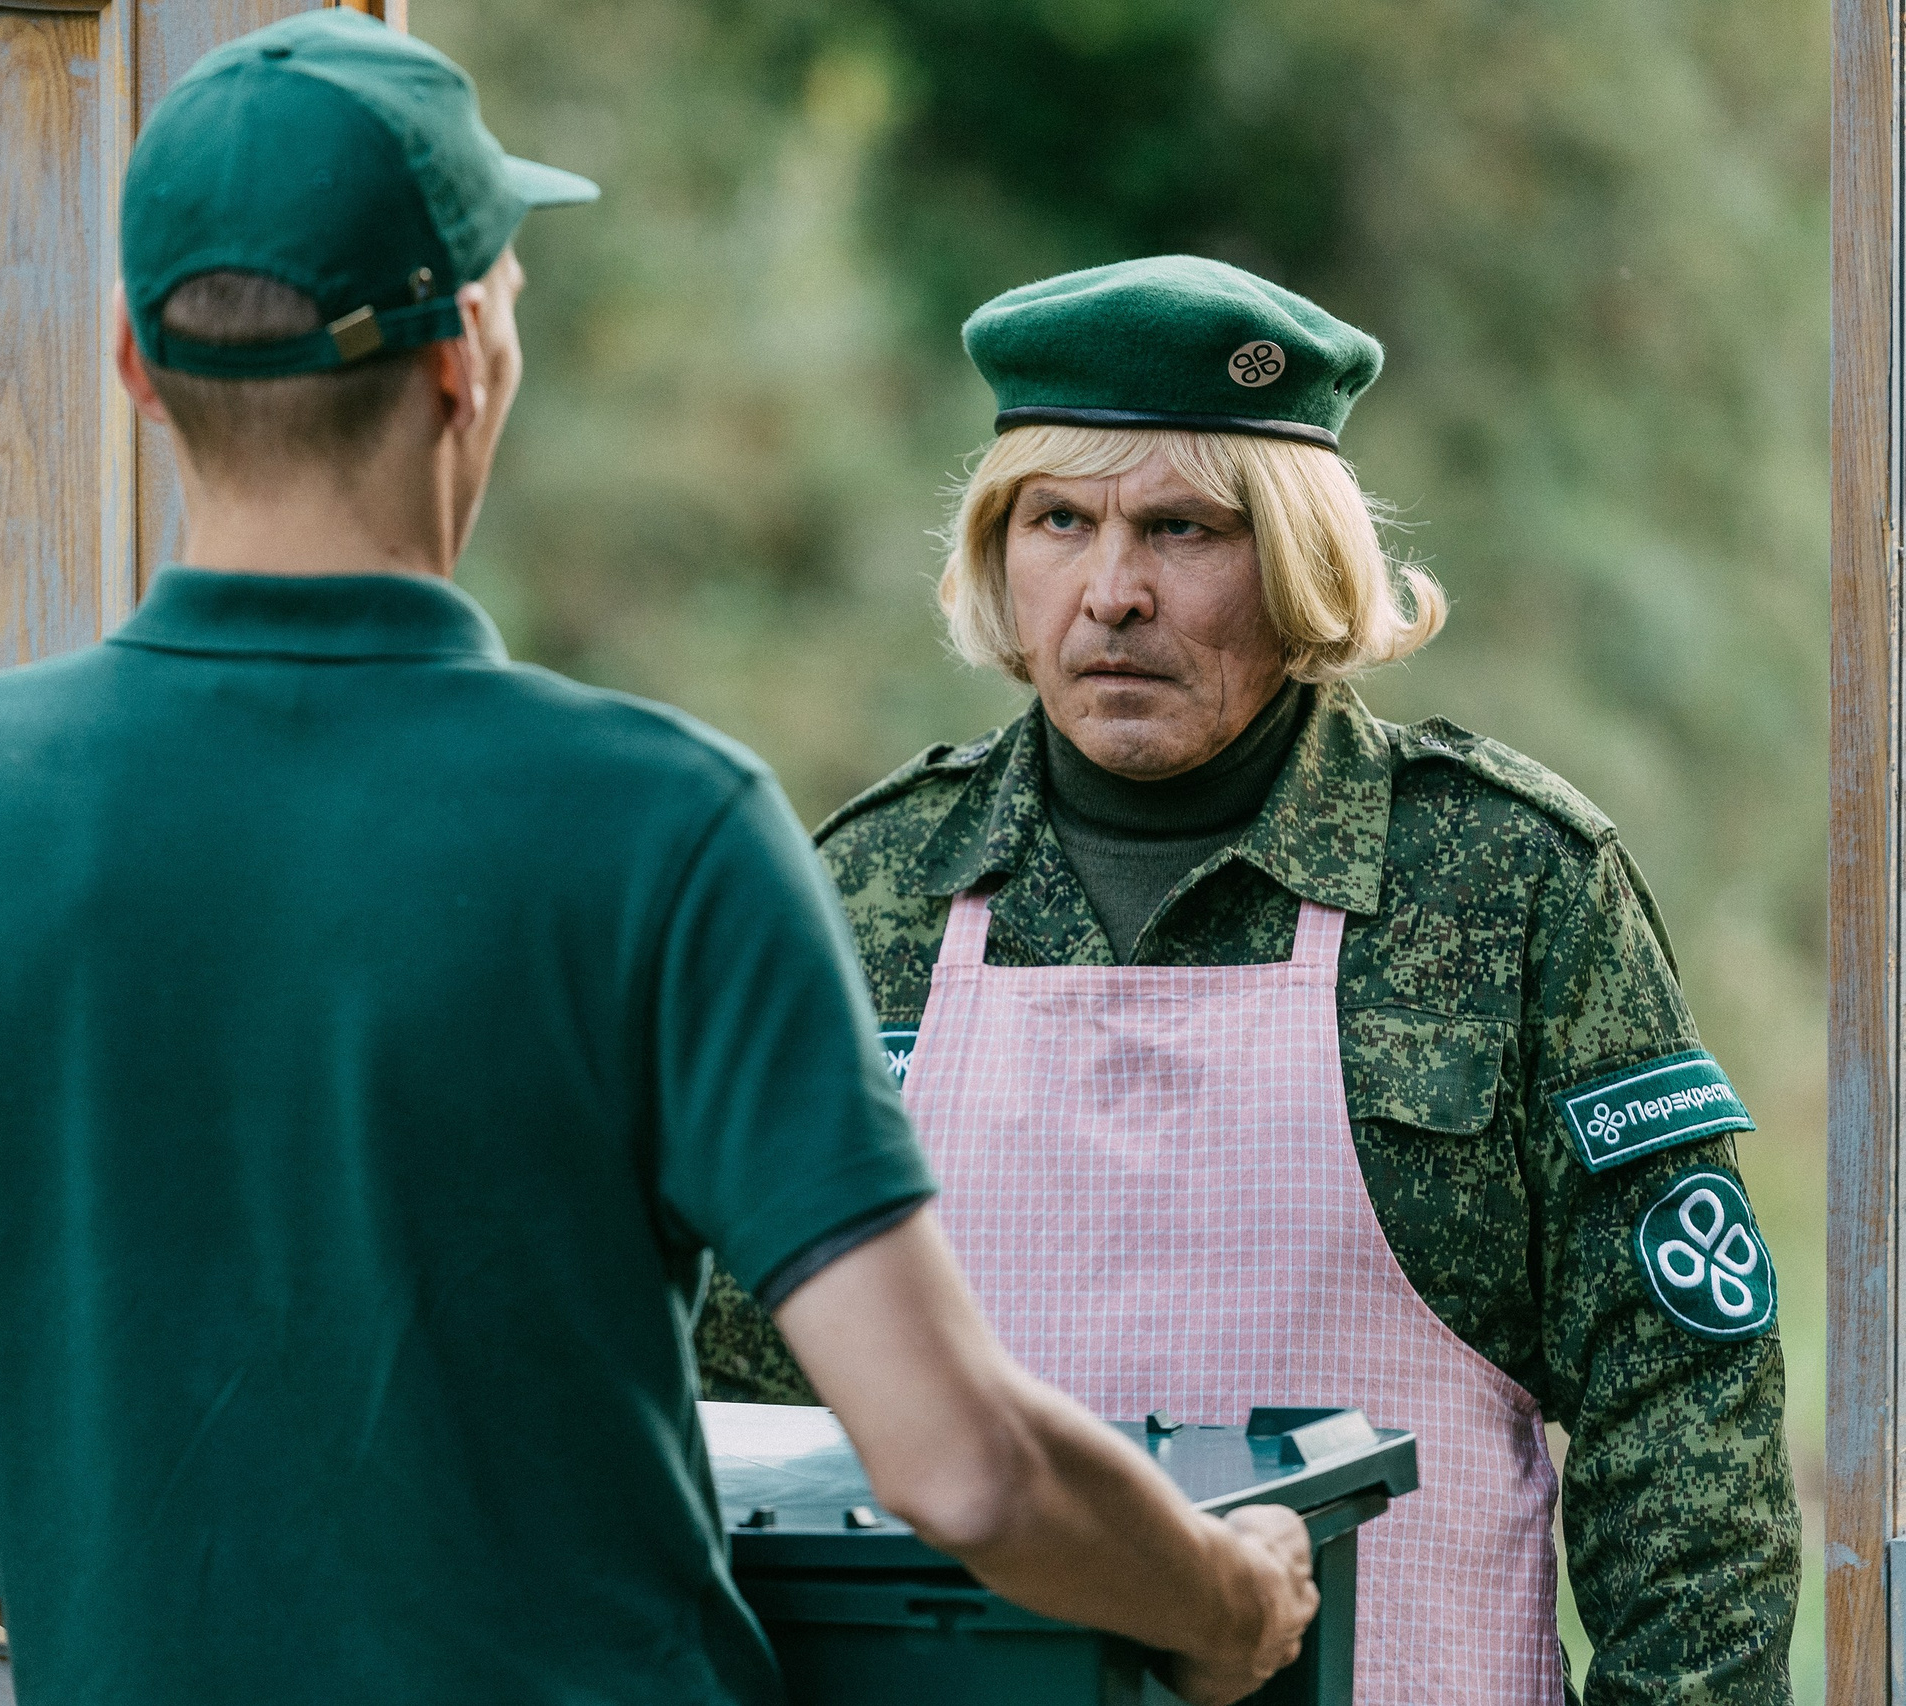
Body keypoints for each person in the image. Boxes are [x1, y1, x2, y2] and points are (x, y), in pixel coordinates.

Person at [0, 22, 1318, 1706]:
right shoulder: (661, 826)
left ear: (138, 367)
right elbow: (962, 1467)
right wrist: (1228, 1605)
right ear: (470, 362)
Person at [696, 255, 1802, 1705]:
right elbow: (734, 1418)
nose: (1112, 593)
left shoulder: (1508, 881)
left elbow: (1687, 1449)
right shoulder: (870, 891)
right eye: (1059, 521)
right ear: (999, 553)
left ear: (1297, 559)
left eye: (1182, 528)